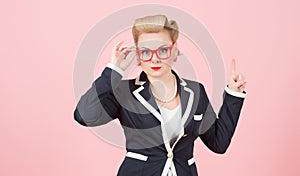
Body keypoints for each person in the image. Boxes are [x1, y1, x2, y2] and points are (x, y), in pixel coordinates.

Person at [73, 14, 247, 176]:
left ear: (175, 49)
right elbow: (84, 116)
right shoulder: (125, 92)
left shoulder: (195, 91)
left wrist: (234, 94)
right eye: (146, 52)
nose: (155, 59)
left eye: (162, 50)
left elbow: (219, 143)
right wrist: (114, 70)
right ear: (138, 56)